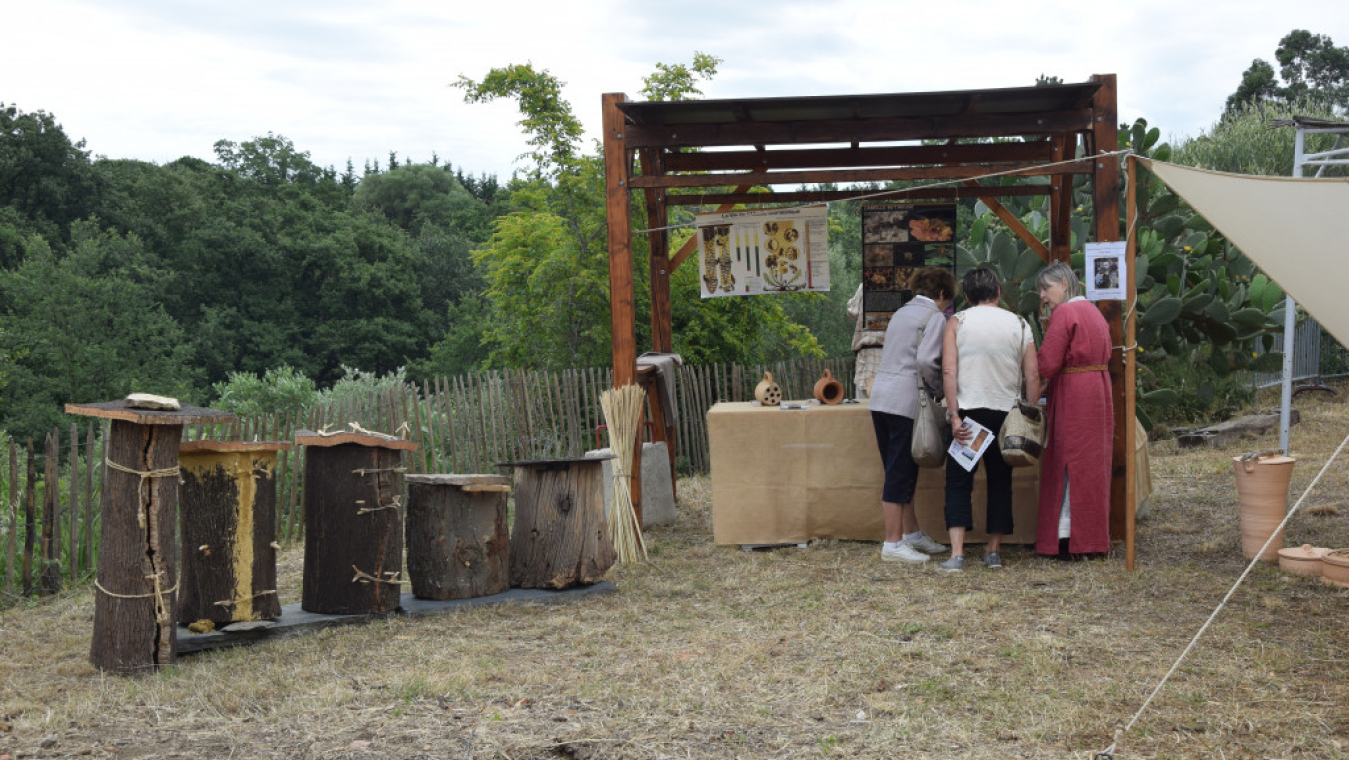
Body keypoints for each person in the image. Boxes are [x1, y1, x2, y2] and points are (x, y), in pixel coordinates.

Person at [939, 268, 1040, 572]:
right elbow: (1033, 375)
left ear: (967, 296)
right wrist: (1030, 413)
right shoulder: (1019, 324)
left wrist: (954, 415)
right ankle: (993, 550)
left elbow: (949, 372)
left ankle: (957, 554)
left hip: (969, 415)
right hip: (1006, 416)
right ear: (998, 291)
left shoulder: (958, 322)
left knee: (958, 482)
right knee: (1000, 481)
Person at [868, 268, 957, 563]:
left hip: (881, 398)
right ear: (942, 294)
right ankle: (892, 544)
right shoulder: (933, 317)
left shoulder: (901, 313)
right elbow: (927, 361)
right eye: (948, 300)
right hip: (907, 401)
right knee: (900, 472)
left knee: (900, 469)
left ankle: (911, 533)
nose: (947, 306)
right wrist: (938, 389)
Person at [1034, 262, 1113, 558]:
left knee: (1068, 462)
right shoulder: (1093, 310)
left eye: (1046, 288)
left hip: (1074, 393)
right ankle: (1091, 539)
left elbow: (1048, 363)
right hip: (1097, 390)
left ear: (1064, 284)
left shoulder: (1065, 312)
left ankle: (1067, 539)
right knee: (1091, 465)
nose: (1043, 295)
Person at [846, 284, 885, 397]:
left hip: (868, 354)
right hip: (892, 353)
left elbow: (852, 310)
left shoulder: (866, 286)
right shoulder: (900, 286)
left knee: (864, 405)